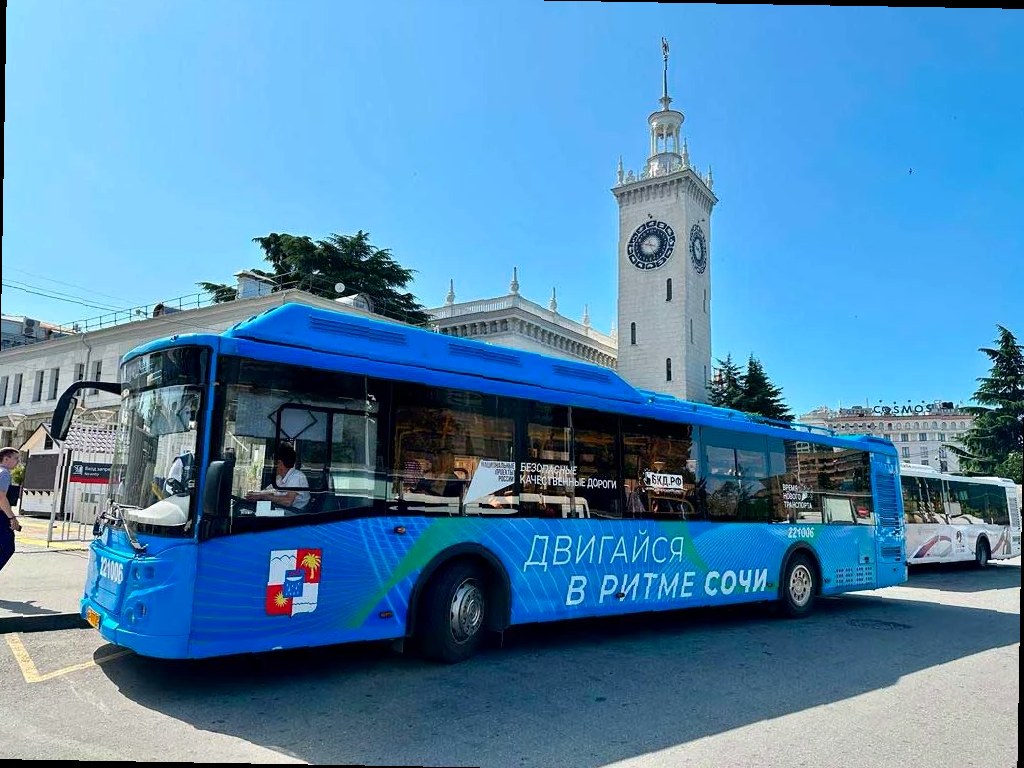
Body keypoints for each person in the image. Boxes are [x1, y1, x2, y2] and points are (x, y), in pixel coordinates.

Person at [245, 444, 310, 511]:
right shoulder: (280, 478)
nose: (272, 466)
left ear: (280, 463)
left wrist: (263, 496)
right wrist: (255, 494)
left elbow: (288, 501)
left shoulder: (297, 476)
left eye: (274, 463)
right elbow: (269, 491)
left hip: (294, 513)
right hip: (281, 510)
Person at [1, 447, 23, 573]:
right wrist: (12, 517)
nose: (18, 462)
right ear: (6, 459)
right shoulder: (4, 473)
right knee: (8, 547)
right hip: (1, 516)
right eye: (15, 458)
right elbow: (1, 497)